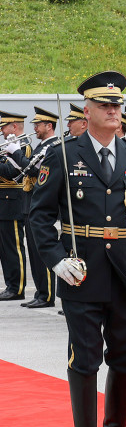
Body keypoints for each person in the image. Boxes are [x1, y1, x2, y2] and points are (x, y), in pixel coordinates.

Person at [29, 70, 126, 427]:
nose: (113, 111)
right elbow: (39, 216)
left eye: (118, 105)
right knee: (85, 358)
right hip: (82, 270)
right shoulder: (63, 155)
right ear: (85, 111)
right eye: (105, 105)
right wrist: (56, 260)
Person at [19, 107, 60, 309]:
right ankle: (41, 292)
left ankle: (47, 294)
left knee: (41, 250)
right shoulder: (41, 146)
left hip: (40, 203)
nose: (34, 128)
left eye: (38, 124)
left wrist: (16, 154)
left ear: (48, 126)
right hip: (30, 201)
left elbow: (32, 169)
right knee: (34, 252)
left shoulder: (52, 146)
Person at [0, 110, 31, 302]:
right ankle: (10, 284)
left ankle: (16, 287)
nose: (1, 130)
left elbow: (12, 172)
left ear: (14, 126)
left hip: (12, 202)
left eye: (4, 126)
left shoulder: (23, 146)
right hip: (3, 202)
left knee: (13, 248)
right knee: (4, 249)